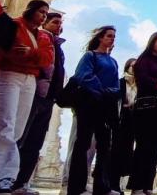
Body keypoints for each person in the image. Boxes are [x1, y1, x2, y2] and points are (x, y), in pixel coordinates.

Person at [0, 0, 55, 194]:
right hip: (10, 75)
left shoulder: (44, 36)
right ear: (30, 10)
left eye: (46, 13)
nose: (44, 16)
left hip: (30, 80)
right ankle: (7, 177)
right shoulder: (13, 25)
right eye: (41, 12)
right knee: (6, 124)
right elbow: (12, 52)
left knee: (17, 128)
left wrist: (31, 53)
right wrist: (34, 55)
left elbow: (47, 59)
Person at [13, 11, 66, 194]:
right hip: (34, 93)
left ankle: (22, 182)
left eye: (60, 23)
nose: (59, 26)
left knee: (35, 141)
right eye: (55, 22)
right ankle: (10, 179)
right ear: (45, 23)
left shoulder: (58, 46)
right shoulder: (40, 38)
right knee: (22, 136)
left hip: (48, 98)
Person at [66, 25, 121, 195]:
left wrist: (110, 93)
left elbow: (116, 85)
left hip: (105, 105)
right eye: (109, 36)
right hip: (89, 104)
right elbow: (84, 76)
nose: (112, 39)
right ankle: (77, 186)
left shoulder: (113, 61)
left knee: (104, 145)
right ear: (100, 38)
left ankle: (102, 186)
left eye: (114, 36)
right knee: (83, 143)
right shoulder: (90, 56)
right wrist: (101, 91)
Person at [127, 32, 157, 195]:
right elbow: (141, 79)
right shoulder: (143, 61)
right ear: (152, 42)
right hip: (145, 109)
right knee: (142, 147)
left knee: (155, 148)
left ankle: (147, 185)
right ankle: (136, 186)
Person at [107, 59, 138, 194]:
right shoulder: (120, 82)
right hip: (119, 121)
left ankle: (117, 184)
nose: (135, 68)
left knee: (126, 153)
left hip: (132, 122)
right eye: (133, 65)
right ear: (128, 67)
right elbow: (114, 99)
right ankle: (112, 184)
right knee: (115, 152)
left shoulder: (140, 85)